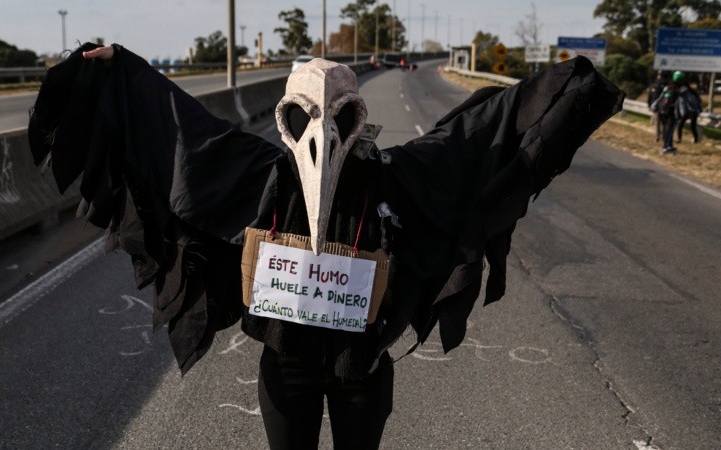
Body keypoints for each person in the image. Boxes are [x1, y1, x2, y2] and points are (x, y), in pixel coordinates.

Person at [31, 43, 622, 450]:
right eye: (305, 119)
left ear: (358, 120)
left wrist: (567, 82)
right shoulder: (263, 172)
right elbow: (179, 126)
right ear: (287, 121)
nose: (324, 138)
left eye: (339, 121)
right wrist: (119, 68)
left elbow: (482, 131)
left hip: (362, 367)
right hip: (286, 366)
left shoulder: (395, 176)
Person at [673, 71, 702, 144]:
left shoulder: (680, 89)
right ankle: (695, 139)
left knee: (680, 125)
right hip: (693, 110)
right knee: (692, 126)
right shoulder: (689, 89)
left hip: (686, 110)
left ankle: (679, 139)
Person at [651, 77, 678, 153]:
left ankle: (669, 145)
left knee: (668, 130)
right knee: (669, 130)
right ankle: (666, 147)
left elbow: (662, 99)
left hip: (663, 111)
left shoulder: (666, 90)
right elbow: (668, 102)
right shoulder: (672, 91)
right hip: (668, 112)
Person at [647, 72, 668, 142]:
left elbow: (649, 95)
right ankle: (664, 137)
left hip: (655, 105)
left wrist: (649, 105)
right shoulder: (666, 85)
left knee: (657, 121)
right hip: (664, 105)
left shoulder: (654, 85)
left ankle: (657, 136)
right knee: (664, 122)